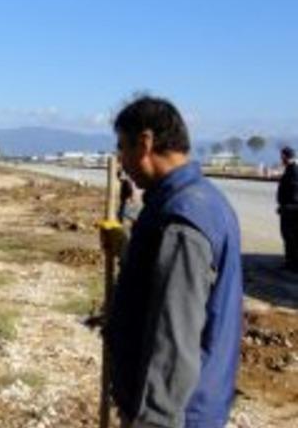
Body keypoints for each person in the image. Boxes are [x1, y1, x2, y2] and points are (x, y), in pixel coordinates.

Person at [102, 96, 243, 428]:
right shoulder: (202, 200)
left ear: (145, 143)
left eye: (123, 147)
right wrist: (126, 249)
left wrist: (153, 420)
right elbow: (170, 283)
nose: (122, 161)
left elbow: (174, 339)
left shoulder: (182, 220)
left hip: (175, 415)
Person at [277, 146, 298, 272]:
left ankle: (293, 264)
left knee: (291, 238)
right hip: (288, 211)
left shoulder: (293, 171)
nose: (281, 159)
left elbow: (295, 195)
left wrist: (285, 208)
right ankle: (290, 262)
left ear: (285, 156)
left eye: (281, 156)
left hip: (291, 213)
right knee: (288, 237)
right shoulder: (290, 169)